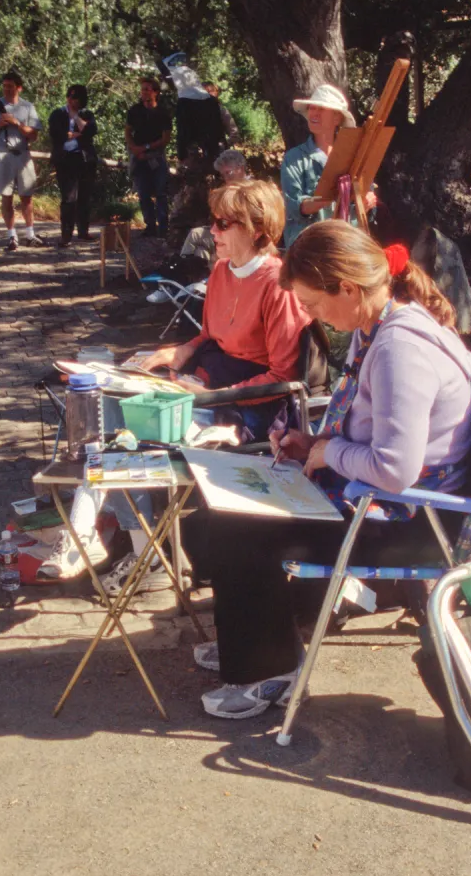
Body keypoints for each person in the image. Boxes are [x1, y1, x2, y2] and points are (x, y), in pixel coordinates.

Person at [180, 220, 471, 719]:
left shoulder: (400, 349)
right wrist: (314, 444)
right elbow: (375, 434)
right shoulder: (379, 327)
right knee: (219, 516)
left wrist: (327, 453)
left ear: (347, 288)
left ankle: (269, 671)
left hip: (409, 521)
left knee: (240, 530)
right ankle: (254, 637)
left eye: (314, 304)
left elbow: (396, 468)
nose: (312, 316)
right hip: (379, 502)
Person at [42, 180, 312, 590]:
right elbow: (209, 336)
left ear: (257, 229)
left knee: (128, 434)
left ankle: (109, 540)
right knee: (108, 407)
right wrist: (179, 351)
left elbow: (283, 377)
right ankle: (135, 546)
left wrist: (210, 396)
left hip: (249, 407)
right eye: (213, 221)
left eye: (223, 223)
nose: (212, 231)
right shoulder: (221, 270)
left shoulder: (279, 285)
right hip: (206, 385)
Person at [279, 84, 375, 248]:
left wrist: (367, 202)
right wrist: (328, 196)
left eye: (321, 109)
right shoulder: (294, 158)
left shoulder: (355, 157)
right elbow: (293, 208)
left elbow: (366, 203)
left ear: (337, 118)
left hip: (347, 244)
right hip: (308, 247)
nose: (314, 113)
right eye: (312, 108)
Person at [0, 70, 44, 251]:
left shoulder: (27, 107)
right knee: (6, 197)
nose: (6, 89)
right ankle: (11, 236)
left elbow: (34, 135)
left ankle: (30, 235)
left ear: (19, 88)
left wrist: (17, 124)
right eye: (4, 86)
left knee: (27, 196)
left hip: (23, 154)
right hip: (3, 154)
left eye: (10, 86)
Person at [49, 83, 98, 248]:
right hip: (65, 159)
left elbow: (91, 131)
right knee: (69, 198)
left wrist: (76, 117)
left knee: (85, 196)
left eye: (75, 97)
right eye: (69, 96)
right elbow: (55, 133)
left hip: (84, 159)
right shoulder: (58, 114)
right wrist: (73, 135)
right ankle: (66, 235)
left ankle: (83, 231)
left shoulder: (87, 114)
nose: (71, 100)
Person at [125, 75, 173, 238]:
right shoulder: (134, 111)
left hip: (156, 156)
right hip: (138, 157)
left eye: (147, 89)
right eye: (142, 89)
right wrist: (134, 148)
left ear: (155, 92)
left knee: (160, 193)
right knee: (143, 194)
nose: (144, 92)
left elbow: (165, 138)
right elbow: (128, 131)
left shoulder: (163, 112)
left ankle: (163, 227)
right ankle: (150, 226)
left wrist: (146, 147)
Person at [203, 82, 240, 146]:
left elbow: (234, 134)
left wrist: (222, 145)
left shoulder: (222, 111)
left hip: (216, 149)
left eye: (210, 91)